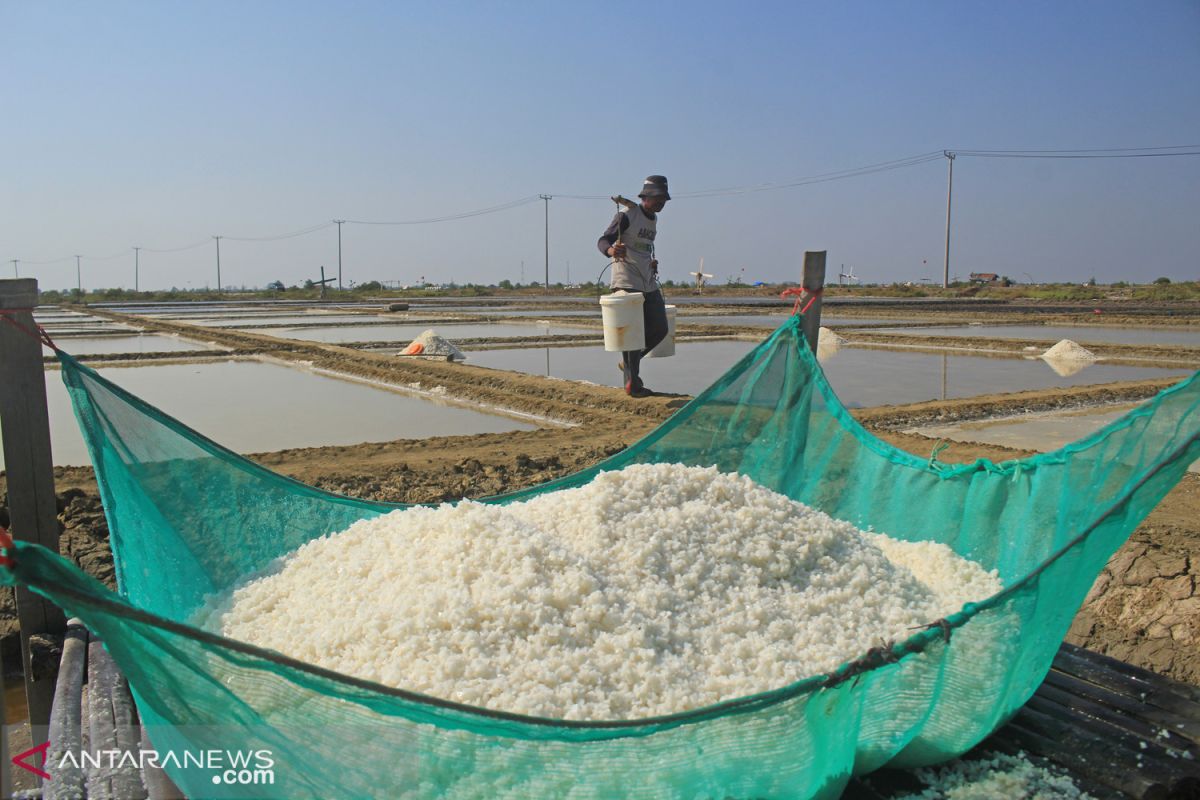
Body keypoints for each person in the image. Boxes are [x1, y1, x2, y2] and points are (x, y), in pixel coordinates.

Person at [597, 175, 670, 398]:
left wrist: (651, 260)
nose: (661, 203)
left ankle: (629, 365)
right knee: (632, 335)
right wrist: (611, 251)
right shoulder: (627, 215)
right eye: (657, 198)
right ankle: (633, 384)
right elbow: (603, 240)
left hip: (647, 281)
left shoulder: (653, 220)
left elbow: (643, 246)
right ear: (645, 197)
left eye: (663, 199)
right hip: (626, 281)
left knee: (660, 329)